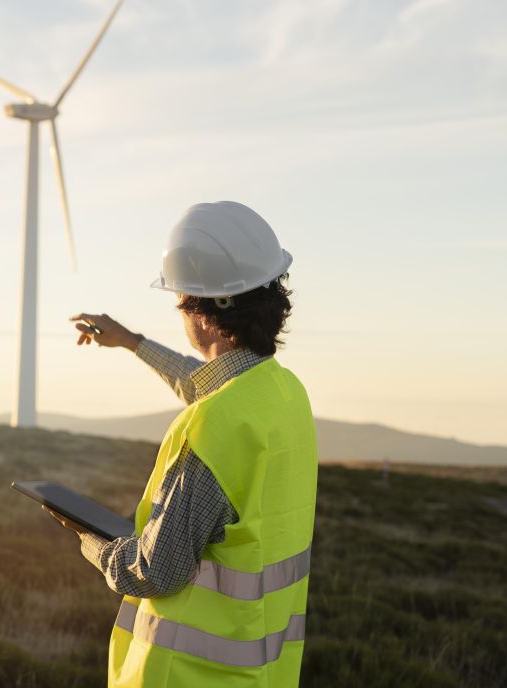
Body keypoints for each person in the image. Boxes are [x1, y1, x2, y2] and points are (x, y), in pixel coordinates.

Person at [57, 200, 317, 687]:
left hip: (187, 676)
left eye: (180, 299)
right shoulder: (284, 394)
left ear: (204, 310)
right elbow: (211, 383)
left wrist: (91, 543)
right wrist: (133, 342)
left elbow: (155, 571)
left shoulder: (212, 428)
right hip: (264, 673)